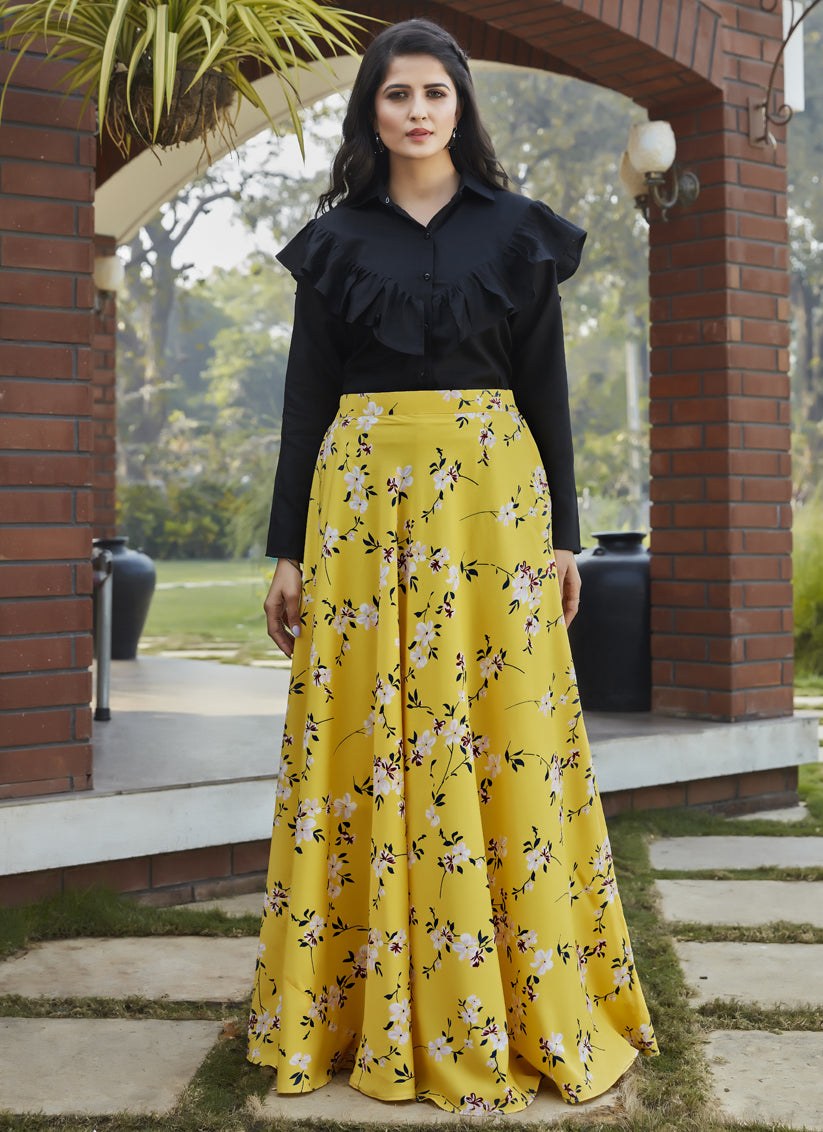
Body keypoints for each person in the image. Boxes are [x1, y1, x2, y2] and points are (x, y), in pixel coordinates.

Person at [247, 18, 658, 1114]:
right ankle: (355, 1010)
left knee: (503, 727)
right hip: (358, 507)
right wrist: (286, 550)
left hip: (492, 510)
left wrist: (562, 533)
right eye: (396, 95)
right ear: (370, 111)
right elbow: (302, 408)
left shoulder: (520, 233)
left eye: (435, 92)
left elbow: (548, 394)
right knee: (364, 728)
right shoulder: (333, 242)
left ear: (461, 107)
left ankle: (513, 1002)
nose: (417, 110)